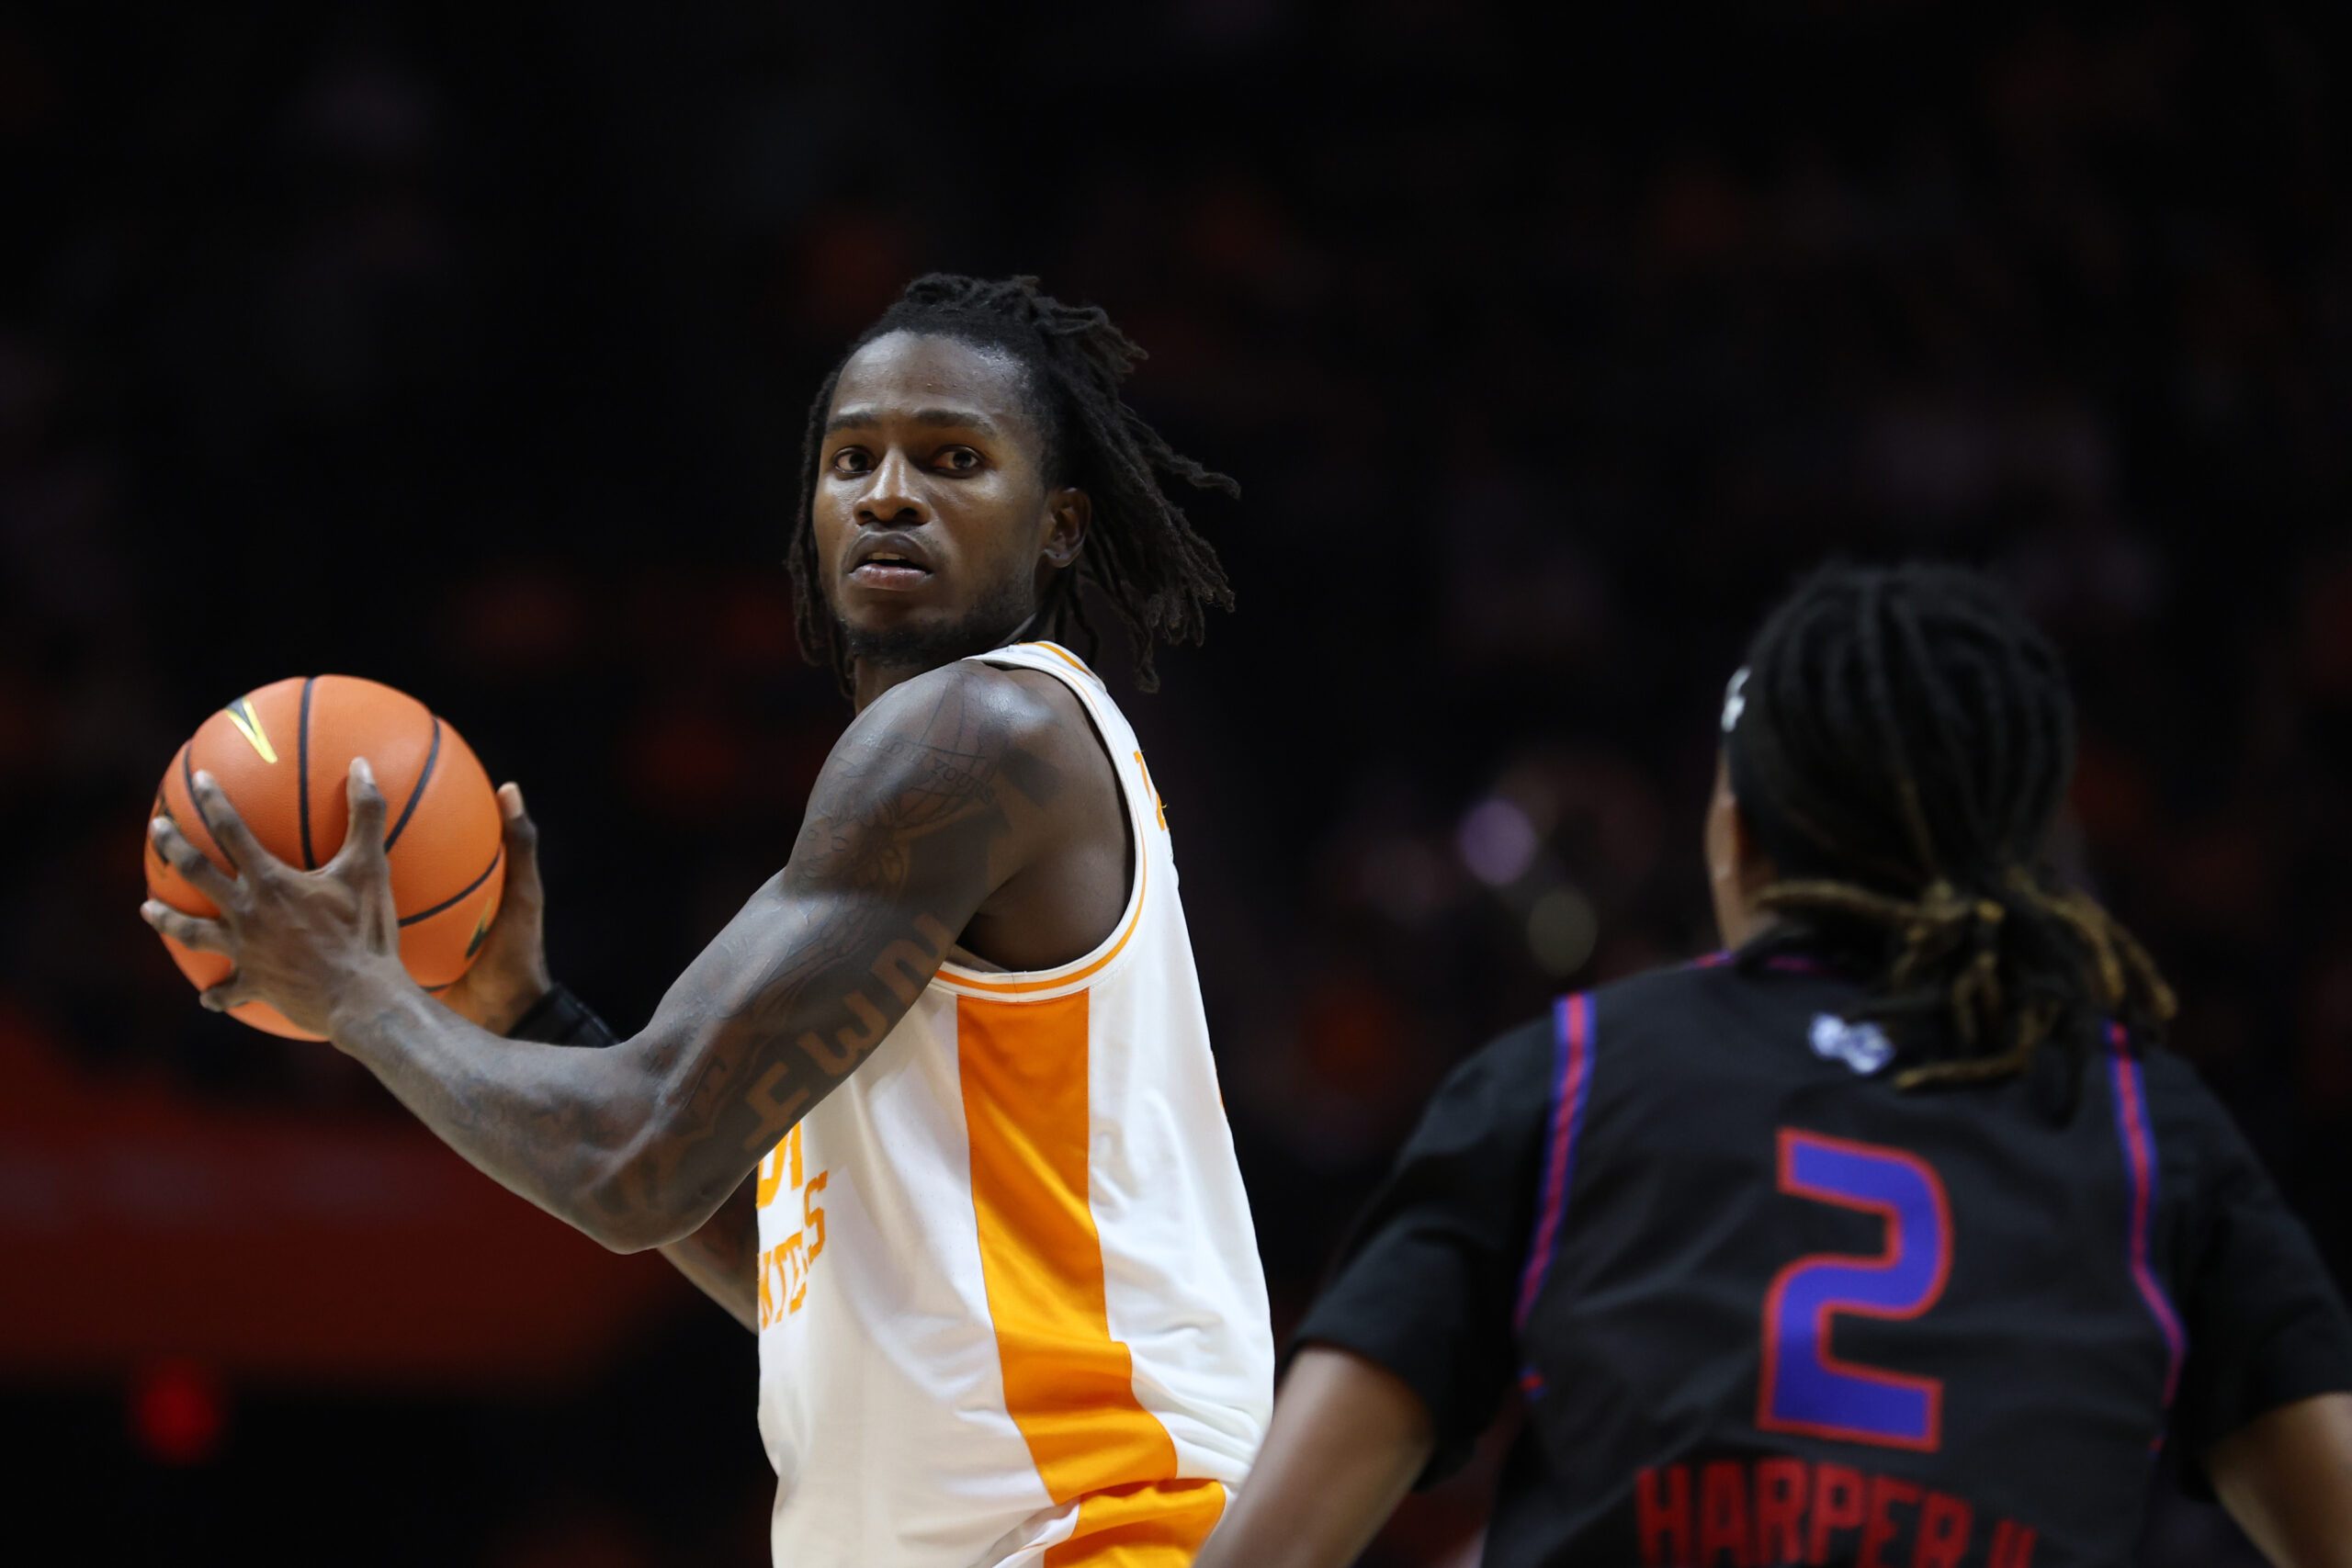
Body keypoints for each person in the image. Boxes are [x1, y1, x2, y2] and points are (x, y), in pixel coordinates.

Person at [142, 274, 1273, 1567]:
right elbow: (804, 1292)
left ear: (1061, 524)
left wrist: (361, 996)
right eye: (853, 458)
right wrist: (530, 1018)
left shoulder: (981, 729)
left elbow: (637, 1158)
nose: (889, 491)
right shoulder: (934, 803)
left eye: (953, 458)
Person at [1197, 563, 2352, 1568]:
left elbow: (1273, 1545)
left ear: (1736, 837)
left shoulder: (1571, 1072)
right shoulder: (2151, 1130)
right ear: (2027, 857)